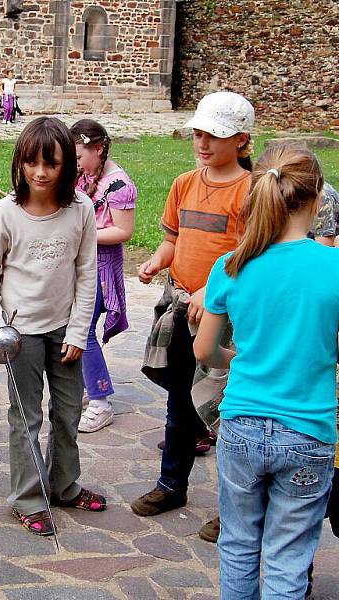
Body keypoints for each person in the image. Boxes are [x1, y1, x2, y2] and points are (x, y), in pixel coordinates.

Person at [193, 145, 335, 600]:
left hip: (241, 427)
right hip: (309, 430)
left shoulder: (231, 265)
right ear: (317, 201)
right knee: (288, 557)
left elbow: (205, 350)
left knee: (237, 544)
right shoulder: (334, 268)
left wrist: (241, 358)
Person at [131, 91, 255, 524]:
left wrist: (211, 291)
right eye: (198, 135)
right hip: (181, 308)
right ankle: (171, 485)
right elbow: (173, 239)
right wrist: (156, 261)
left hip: (226, 318)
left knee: (224, 409)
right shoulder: (185, 183)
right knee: (181, 402)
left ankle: (234, 507)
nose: (202, 145)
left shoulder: (252, 192)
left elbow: (251, 255)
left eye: (214, 137)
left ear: (241, 140)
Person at [0, 117, 105, 536]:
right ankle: (28, 498)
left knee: (68, 414)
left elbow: (87, 273)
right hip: (20, 335)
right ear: (20, 163)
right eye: (32, 163)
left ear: (66, 165)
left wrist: (79, 331)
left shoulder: (81, 209)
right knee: (26, 418)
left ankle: (65, 486)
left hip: (65, 329)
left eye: (50, 164)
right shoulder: (3, 213)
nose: (40, 173)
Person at [70, 119, 137, 433]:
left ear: (98, 149)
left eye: (80, 155)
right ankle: (90, 388)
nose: (76, 162)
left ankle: (100, 402)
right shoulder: (84, 175)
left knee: (82, 331)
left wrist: (84, 234)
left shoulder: (119, 184)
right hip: (80, 263)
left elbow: (123, 230)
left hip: (101, 270)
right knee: (75, 326)